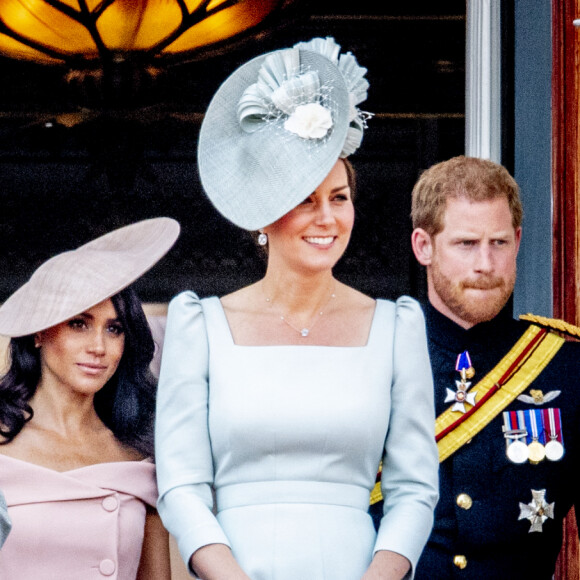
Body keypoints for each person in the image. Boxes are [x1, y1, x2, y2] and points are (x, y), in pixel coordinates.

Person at [155, 37, 439, 580]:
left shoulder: (395, 326)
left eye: (339, 197)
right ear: (263, 214)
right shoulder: (201, 325)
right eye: (305, 199)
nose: (327, 218)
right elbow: (182, 487)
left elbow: (414, 489)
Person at [380, 154, 579, 579]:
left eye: (499, 243)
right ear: (423, 246)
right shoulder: (374, 355)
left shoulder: (565, 365)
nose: (485, 265)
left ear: (519, 241)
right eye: (466, 244)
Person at [0, 217, 180, 579]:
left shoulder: (139, 455)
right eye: (78, 324)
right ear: (38, 332)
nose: (98, 347)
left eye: (113, 329)